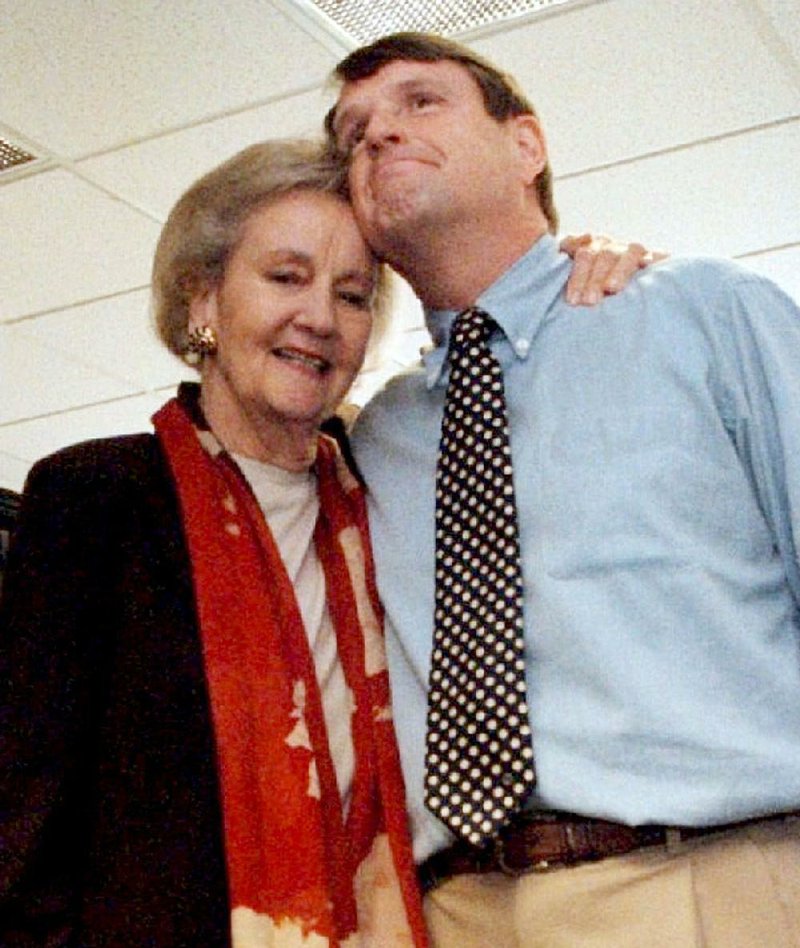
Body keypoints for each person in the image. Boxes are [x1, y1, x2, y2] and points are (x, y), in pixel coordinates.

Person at [324, 32, 800, 948]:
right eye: (352, 133)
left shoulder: (707, 315)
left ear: (525, 146)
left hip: (712, 881)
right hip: (458, 912)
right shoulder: (370, 439)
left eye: (421, 102)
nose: (378, 134)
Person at [0, 139, 428, 948]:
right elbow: (23, 821)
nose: (320, 318)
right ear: (204, 300)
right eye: (285, 276)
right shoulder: (96, 497)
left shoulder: (385, 494)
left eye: (352, 294)